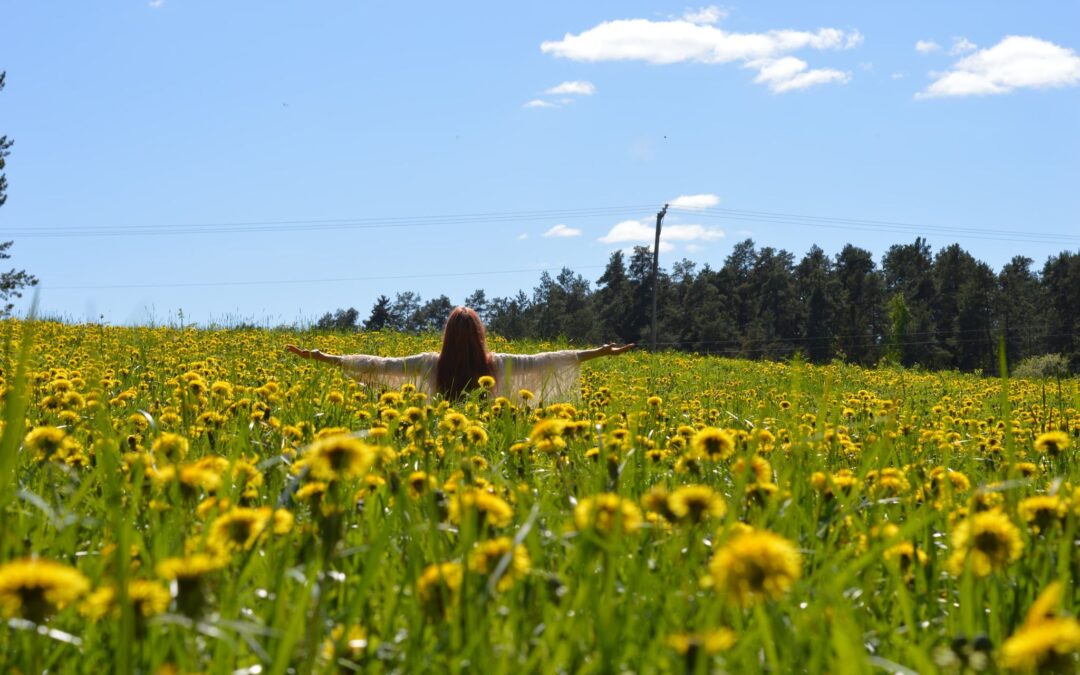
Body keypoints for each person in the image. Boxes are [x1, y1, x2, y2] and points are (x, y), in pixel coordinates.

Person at [286, 306, 633, 403]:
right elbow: (549, 359)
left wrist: (323, 357)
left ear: (447, 336)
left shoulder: (430, 364)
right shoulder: (498, 364)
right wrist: (599, 352)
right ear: (481, 336)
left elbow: (379, 366)